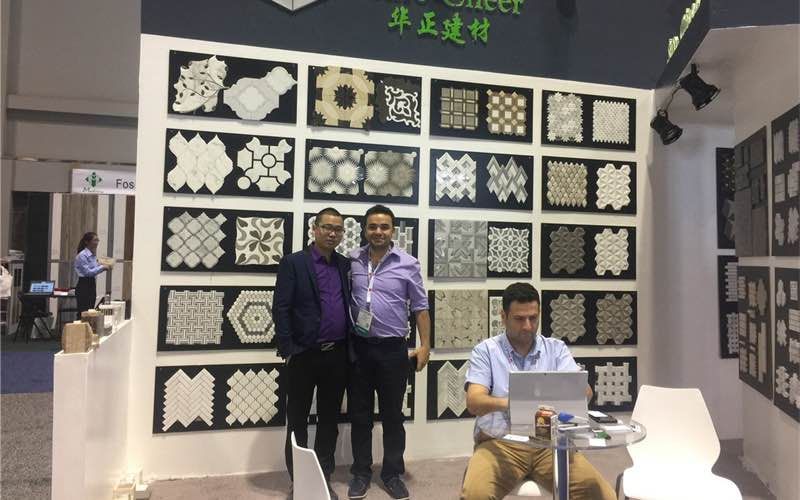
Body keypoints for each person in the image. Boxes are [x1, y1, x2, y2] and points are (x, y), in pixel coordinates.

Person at [461, 282, 616, 500]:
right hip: (501, 444)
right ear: (503, 317)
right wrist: (518, 403)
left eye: (533, 318)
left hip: (551, 444)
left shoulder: (556, 349)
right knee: (475, 494)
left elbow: (585, 392)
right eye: (519, 319)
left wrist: (575, 394)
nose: (527, 326)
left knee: (602, 494)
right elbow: (474, 402)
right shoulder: (486, 350)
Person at [347, 204, 431, 500]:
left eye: (384, 227)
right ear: (364, 229)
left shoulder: (408, 263)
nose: (378, 232)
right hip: (359, 349)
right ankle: (361, 473)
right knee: (360, 415)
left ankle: (392, 473)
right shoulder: (352, 260)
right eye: (372, 226)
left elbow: (421, 308)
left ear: (393, 230)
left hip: (393, 351)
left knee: (393, 416)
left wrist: (425, 345)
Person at [273, 207, 352, 500]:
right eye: (327, 227)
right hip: (304, 355)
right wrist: (289, 349)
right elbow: (281, 308)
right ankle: (300, 481)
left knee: (329, 421)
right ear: (314, 229)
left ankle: (323, 477)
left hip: (337, 356)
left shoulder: (345, 265)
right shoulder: (293, 263)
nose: (332, 233)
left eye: (338, 229)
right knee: (297, 420)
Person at [74, 232, 108, 317]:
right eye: (95, 240)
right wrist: (102, 267)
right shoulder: (82, 255)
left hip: (91, 284)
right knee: (83, 312)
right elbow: (88, 272)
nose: (97, 242)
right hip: (84, 285)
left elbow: (94, 268)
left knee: (90, 311)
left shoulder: (92, 255)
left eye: (98, 240)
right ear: (87, 242)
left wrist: (104, 264)